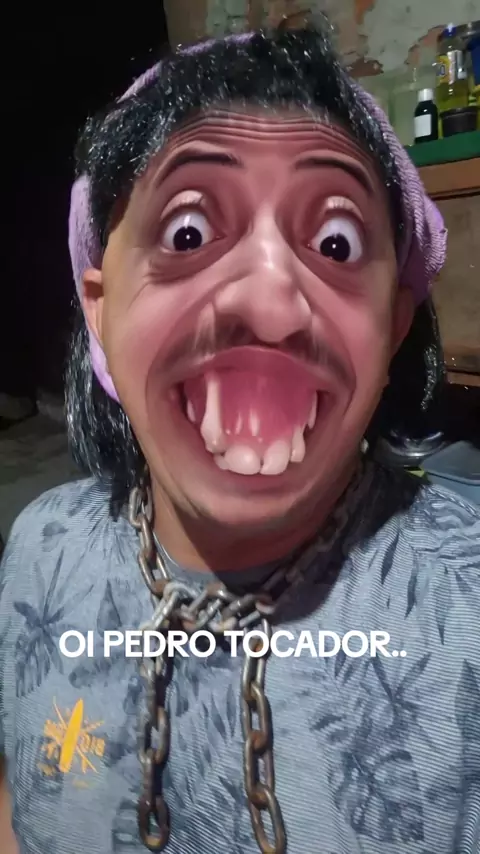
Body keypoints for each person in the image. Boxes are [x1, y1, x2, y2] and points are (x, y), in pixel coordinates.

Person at [1, 23, 479, 854]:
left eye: (336, 243)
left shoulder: (462, 614)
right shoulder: (39, 550)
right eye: (188, 233)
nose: (268, 303)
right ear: (100, 309)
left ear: (394, 325)